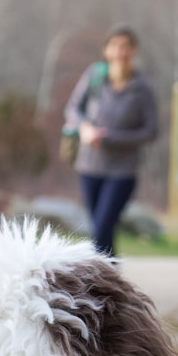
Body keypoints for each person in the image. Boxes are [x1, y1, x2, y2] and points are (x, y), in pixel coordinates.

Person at [64, 24, 158, 256]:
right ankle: (110, 281)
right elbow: (72, 109)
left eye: (125, 46)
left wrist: (111, 138)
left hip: (122, 171)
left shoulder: (142, 89)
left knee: (104, 226)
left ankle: (103, 283)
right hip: (89, 166)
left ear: (134, 51)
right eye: (114, 46)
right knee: (99, 229)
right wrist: (85, 129)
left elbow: (151, 131)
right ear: (106, 50)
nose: (120, 51)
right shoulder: (94, 77)